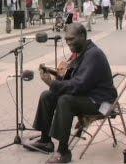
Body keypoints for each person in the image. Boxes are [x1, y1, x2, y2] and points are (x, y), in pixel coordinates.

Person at [25, 23, 117, 163]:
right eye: (67, 39)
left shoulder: (93, 54)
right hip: (86, 94)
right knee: (47, 96)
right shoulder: (80, 52)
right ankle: (45, 141)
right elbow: (72, 78)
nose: (68, 43)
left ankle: (63, 152)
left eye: (71, 39)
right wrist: (52, 73)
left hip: (101, 102)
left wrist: (52, 83)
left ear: (82, 36)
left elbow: (78, 85)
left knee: (65, 101)